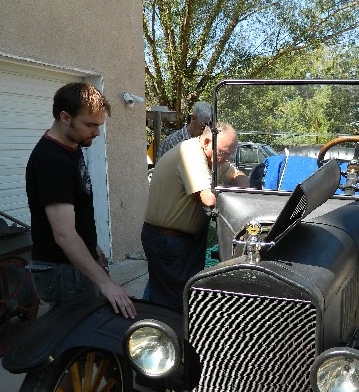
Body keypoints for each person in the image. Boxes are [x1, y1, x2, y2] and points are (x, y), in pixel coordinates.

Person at [26, 82, 136, 319]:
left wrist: (91, 244)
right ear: (65, 117)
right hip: (63, 271)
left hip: (73, 265)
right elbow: (63, 234)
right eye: (90, 125)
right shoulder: (52, 161)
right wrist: (106, 283)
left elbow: (75, 205)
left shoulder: (72, 145)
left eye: (99, 125)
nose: (96, 132)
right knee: (76, 340)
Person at [142, 122, 248, 311]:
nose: (226, 159)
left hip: (187, 239)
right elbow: (208, 199)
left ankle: (149, 320)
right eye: (224, 152)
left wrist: (240, 185)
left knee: (166, 292)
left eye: (230, 154)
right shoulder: (191, 153)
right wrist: (235, 197)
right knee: (173, 302)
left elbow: (238, 175)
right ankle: (163, 334)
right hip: (168, 240)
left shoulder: (215, 157)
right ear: (207, 141)